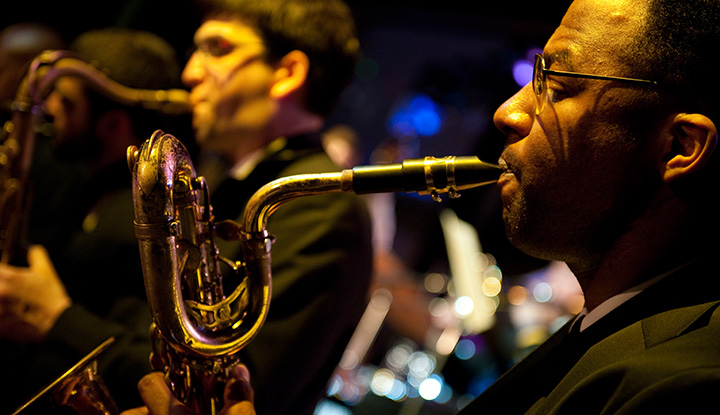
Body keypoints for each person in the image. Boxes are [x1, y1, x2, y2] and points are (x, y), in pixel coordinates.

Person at [124, 0, 720, 413]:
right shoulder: (608, 333)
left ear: (679, 146)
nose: (508, 113)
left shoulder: (681, 386)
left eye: (556, 87)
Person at [125, 0, 373, 414]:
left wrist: (57, 321)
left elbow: (237, 392)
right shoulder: (225, 176)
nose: (190, 73)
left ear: (287, 73)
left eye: (217, 48)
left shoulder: (320, 208)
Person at [0, 28, 189, 413]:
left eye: (66, 102)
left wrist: (56, 317)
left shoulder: (145, 227)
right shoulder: (85, 186)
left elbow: (153, 367)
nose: (50, 108)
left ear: (113, 125)